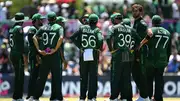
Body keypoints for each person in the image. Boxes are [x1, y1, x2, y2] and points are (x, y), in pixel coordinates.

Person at [70, 13, 103, 101]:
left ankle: (82, 97)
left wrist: (80, 46)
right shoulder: (97, 30)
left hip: (84, 53)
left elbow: (72, 37)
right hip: (93, 53)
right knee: (93, 76)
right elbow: (100, 40)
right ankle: (92, 97)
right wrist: (97, 47)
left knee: (83, 77)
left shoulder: (82, 28)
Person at [32, 12, 64, 101]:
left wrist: (38, 49)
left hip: (44, 54)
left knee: (42, 77)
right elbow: (61, 38)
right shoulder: (59, 27)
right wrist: (55, 49)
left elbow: (34, 37)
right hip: (54, 55)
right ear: (55, 19)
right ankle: (58, 97)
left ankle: (35, 97)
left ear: (48, 19)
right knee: (56, 77)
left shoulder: (43, 27)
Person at [139, 15, 171, 101]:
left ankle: (149, 97)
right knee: (159, 79)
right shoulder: (168, 33)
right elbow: (169, 49)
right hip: (162, 60)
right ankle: (158, 98)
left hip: (151, 59)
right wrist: (166, 61)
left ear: (152, 23)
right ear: (161, 22)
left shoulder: (150, 31)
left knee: (149, 79)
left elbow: (143, 45)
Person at [107, 13, 138, 101]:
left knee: (115, 76)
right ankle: (126, 97)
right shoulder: (131, 29)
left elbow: (108, 38)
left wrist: (111, 50)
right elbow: (139, 41)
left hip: (118, 53)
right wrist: (132, 50)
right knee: (126, 77)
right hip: (127, 53)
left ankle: (114, 97)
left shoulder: (115, 28)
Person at [131, 3, 150, 101]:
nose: (134, 12)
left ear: (141, 12)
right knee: (135, 74)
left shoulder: (142, 23)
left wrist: (139, 46)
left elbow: (147, 37)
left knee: (141, 75)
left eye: (136, 11)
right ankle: (142, 95)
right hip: (135, 52)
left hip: (141, 53)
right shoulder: (136, 22)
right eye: (133, 11)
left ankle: (145, 97)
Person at [9, 12, 29, 101]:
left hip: (12, 53)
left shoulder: (11, 29)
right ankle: (18, 97)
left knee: (17, 75)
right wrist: (26, 52)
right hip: (18, 54)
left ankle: (16, 96)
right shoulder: (19, 28)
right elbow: (22, 43)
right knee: (20, 76)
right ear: (21, 21)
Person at [26, 13, 44, 101]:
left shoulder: (39, 29)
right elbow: (32, 43)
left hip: (39, 55)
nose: (42, 21)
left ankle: (34, 96)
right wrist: (37, 55)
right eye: (40, 19)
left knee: (37, 76)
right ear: (36, 20)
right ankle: (30, 95)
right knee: (33, 75)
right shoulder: (32, 29)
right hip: (34, 55)